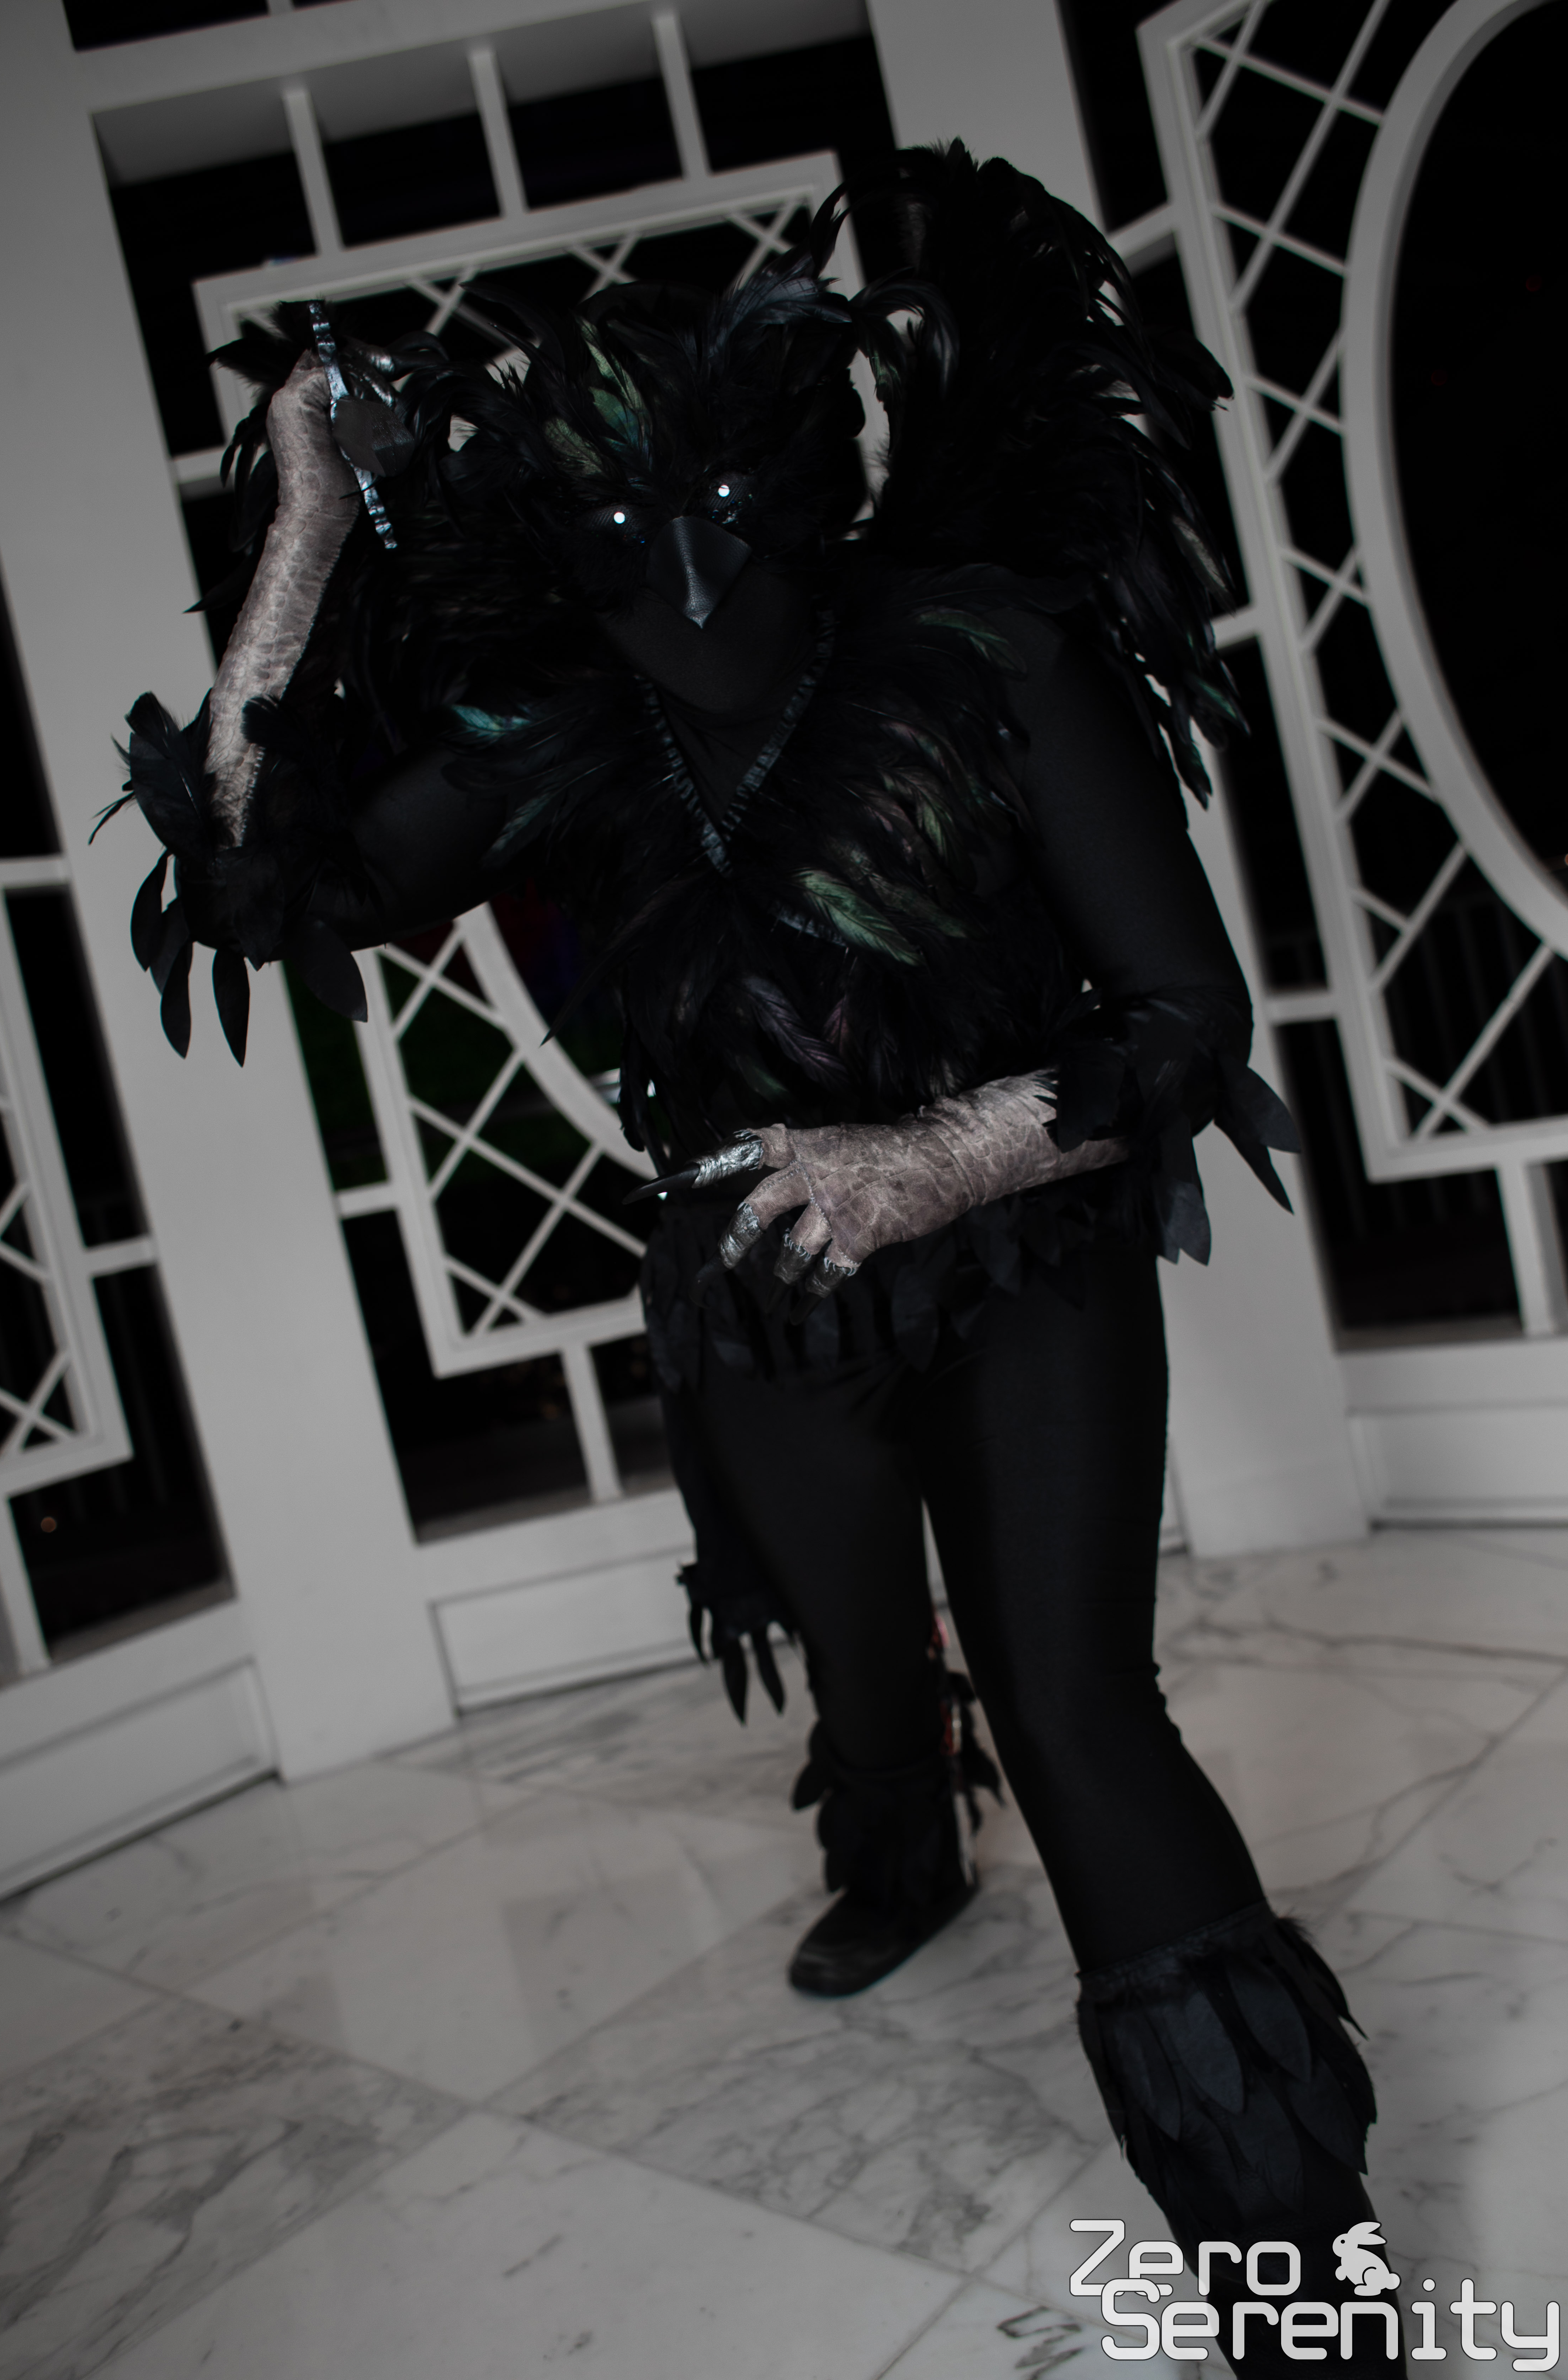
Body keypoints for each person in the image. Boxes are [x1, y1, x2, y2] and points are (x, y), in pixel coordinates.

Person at [111, 147, 1402, 2370]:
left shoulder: (987, 651)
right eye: (629, 528)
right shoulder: (556, 731)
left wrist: (937, 1157)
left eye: (728, 504)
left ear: (809, 472)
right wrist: (307, 522)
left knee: (1079, 1702)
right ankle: (896, 1852)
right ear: (563, 540)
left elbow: (1186, 1016)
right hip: (754, 1272)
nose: (693, 572)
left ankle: (1297, 2265)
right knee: (859, 1648)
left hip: (1024, 1238)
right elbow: (252, 885)